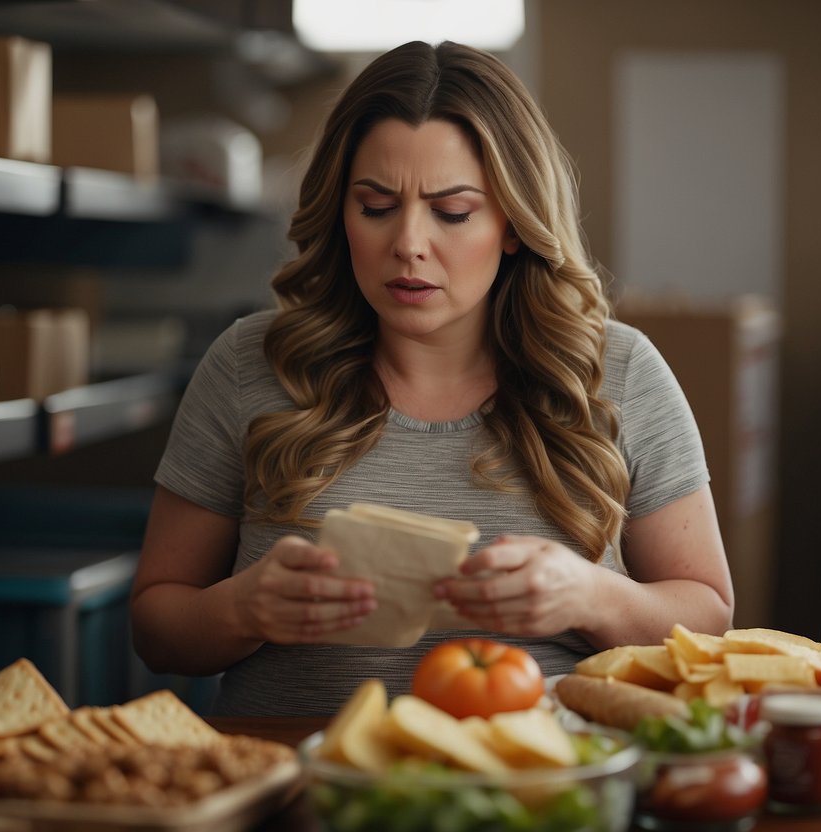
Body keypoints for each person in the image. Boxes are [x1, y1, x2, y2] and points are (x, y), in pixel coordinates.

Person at [130, 40, 734, 716]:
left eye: (452, 211)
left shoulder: (619, 371)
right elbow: (157, 629)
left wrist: (591, 595)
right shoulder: (248, 365)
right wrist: (242, 609)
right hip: (296, 790)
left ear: (512, 223)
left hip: (536, 790)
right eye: (376, 205)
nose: (409, 243)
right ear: (340, 211)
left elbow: (708, 618)